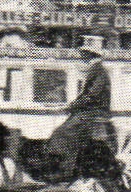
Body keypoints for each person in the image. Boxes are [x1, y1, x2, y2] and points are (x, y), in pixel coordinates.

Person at [43, 36, 114, 181]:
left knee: (61, 133)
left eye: (84, 53)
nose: (82, 55)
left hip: (92, 114)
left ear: (90, 54)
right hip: (88, 112)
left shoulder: (98, 70)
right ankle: (64, 168)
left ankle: (65, 171)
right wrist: (72, 105)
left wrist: (72, 106)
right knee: (62, 131)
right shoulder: (96, 69)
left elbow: (91, 95)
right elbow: (88, 95)